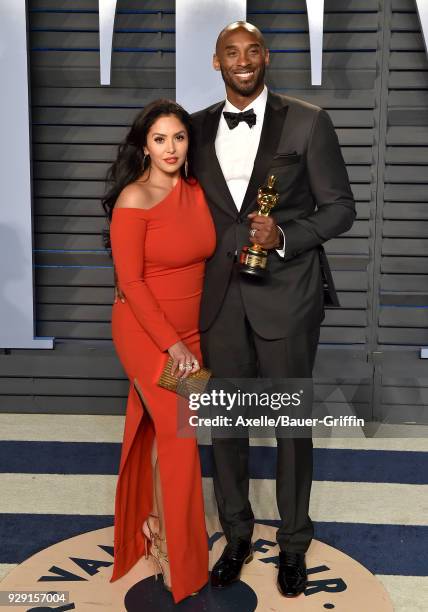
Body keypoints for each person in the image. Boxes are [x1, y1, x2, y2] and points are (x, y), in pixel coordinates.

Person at [189, 22, 356, 597]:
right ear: (216, 63)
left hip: (286, 293)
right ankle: (236, 535)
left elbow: (340, 210)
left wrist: (283, 232)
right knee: (227, 426)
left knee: (290, 427)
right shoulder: (195, 127)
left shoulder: (308, 120)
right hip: (218, 299)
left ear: (267, 57)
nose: (243, 61)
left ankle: (292, 544)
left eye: (252, 51)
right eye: (231, 53)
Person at [103, 99, 215, 603]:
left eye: (179, 138)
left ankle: (151, 524)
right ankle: (180, 560)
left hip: (188, 337)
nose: (170, 149)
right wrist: (171, 346)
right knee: (179, 438)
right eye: (159, 139)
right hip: (149, 335)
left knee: (157, 430)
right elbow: (130, 281)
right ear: (144, 146)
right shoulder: (134, 198)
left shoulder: (196, 191)